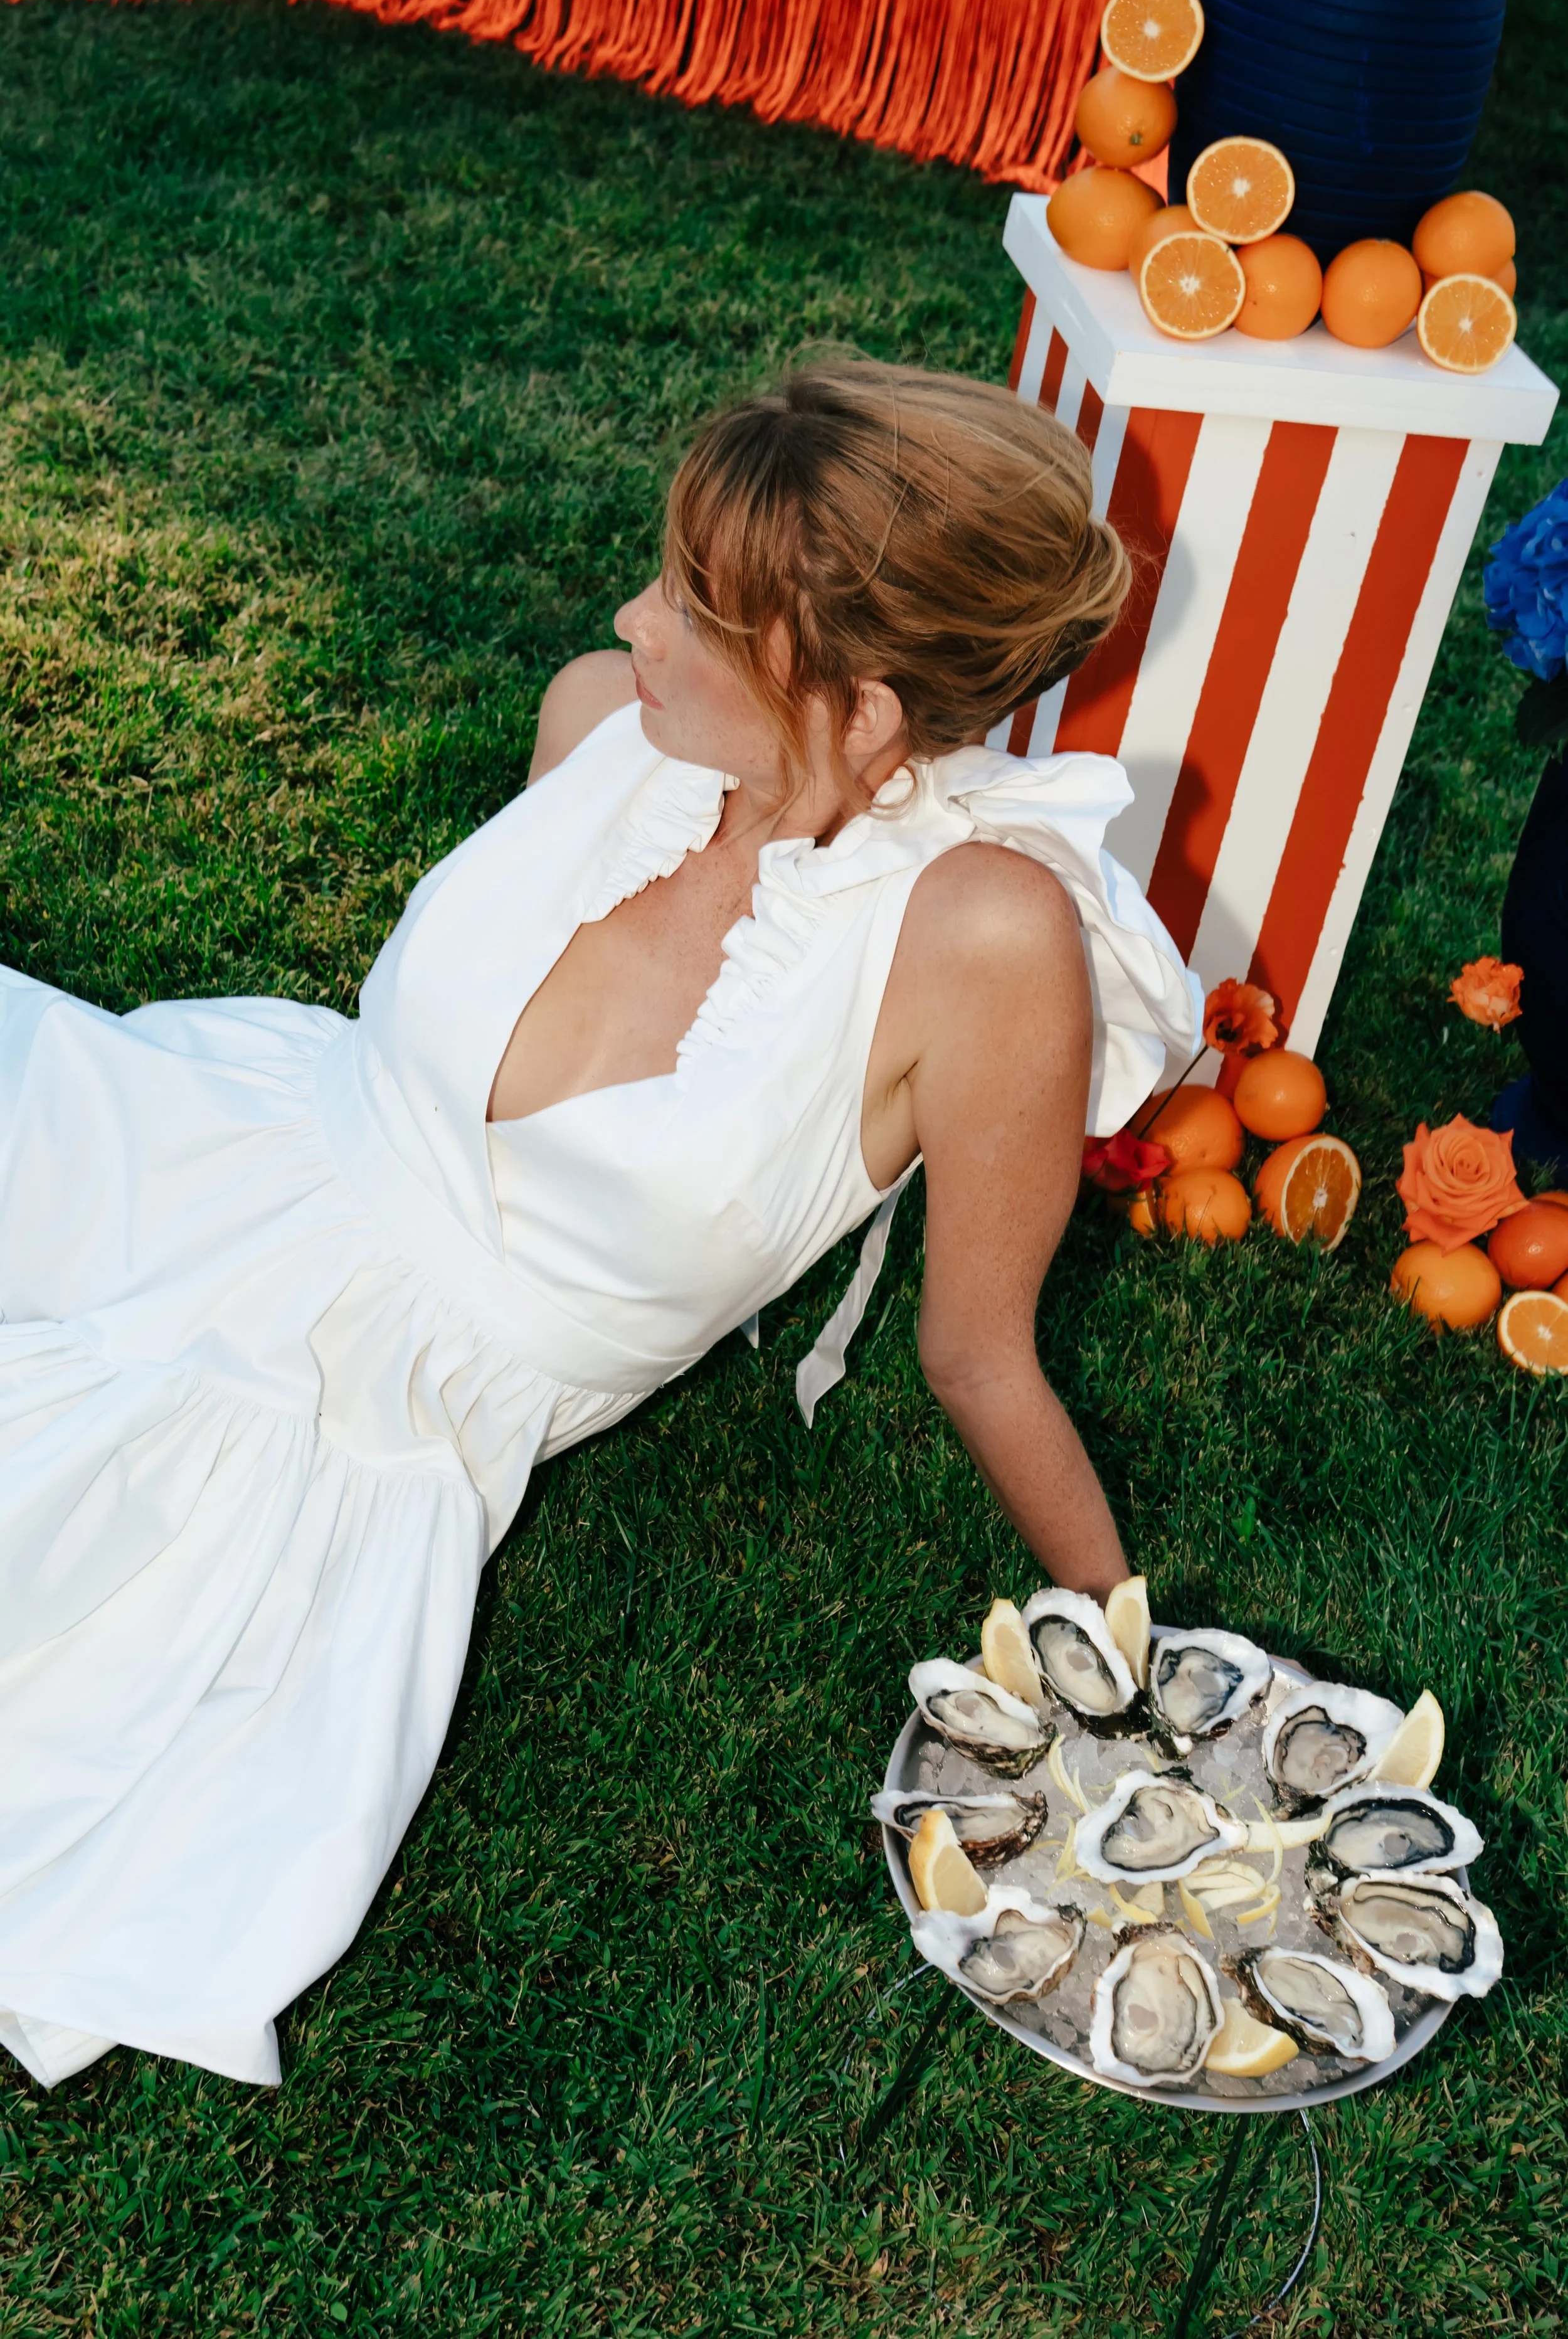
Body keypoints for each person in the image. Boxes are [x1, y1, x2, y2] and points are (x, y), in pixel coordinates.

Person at [0, 358, 1198, 2091]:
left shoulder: (981, 947)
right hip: (218, 1142)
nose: (632, 617)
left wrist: (1134, 1669)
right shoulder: (601, 721)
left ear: (860, 711)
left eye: (696, 612)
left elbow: (975, 1352)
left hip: (371, 1407)